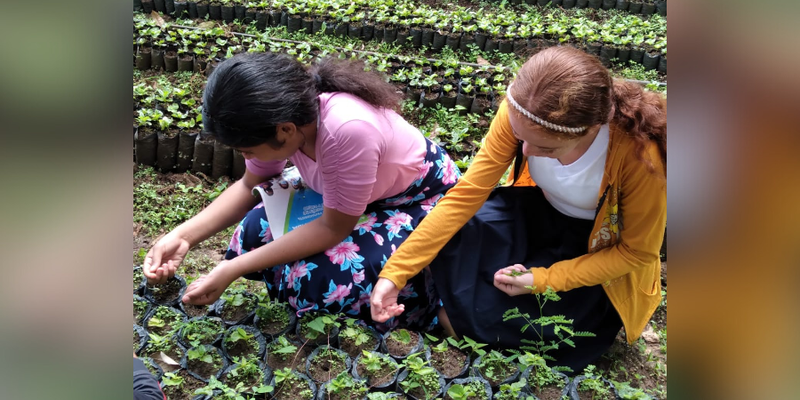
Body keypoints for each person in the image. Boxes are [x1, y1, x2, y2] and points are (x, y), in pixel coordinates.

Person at [370, 46, 666, 371]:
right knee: (453, 239)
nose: (525, 150)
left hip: (596, 247)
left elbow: (636, 253)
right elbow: (467, 193)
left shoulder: (640, 159)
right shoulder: (521, 113)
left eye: (545, 148)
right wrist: (395, 274)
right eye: (521, 138)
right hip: (533, 215)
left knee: (536, 325)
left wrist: (543, 279)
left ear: (591, 130)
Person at [142, 52, 460, 331]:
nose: (245, 158)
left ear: (286, 130)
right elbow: (249, 186)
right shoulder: (289, 118)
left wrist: (232, 268)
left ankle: (424, 306)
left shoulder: (346, 131)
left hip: (420, 200)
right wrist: (182, 236)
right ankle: (290, 302)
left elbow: (333, 228)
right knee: (255, 230)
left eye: (247, 150)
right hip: (361, 195)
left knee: (322, 277)